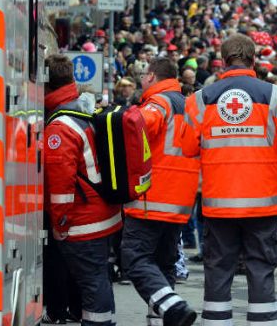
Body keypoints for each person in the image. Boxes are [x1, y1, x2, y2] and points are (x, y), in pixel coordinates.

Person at [180, 34, 277, 325]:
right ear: (253, 60)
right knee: (261, 269)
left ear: (223, 62)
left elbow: (187, 147)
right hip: (263, 204)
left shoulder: (199, 99)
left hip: (218, 203)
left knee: (218, 269)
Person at [44, 54, 122, 326]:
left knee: (92, 282)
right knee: (98, 279)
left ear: (46, 85)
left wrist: (59, 223)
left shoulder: (59, 126)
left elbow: (61, 186)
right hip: (102, 214)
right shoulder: (83, 108)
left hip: (82, 220)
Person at [121, 58, 200, 326]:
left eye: (144, 75)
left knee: (134, 258)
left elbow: (137, 124)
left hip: (152, 196)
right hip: (180, 200)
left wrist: (117, 116)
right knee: (163, 263)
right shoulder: (188, 105)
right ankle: (162, 318)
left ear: (152, 76)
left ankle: (173, 307)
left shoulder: (158, 102)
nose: (142, 79)